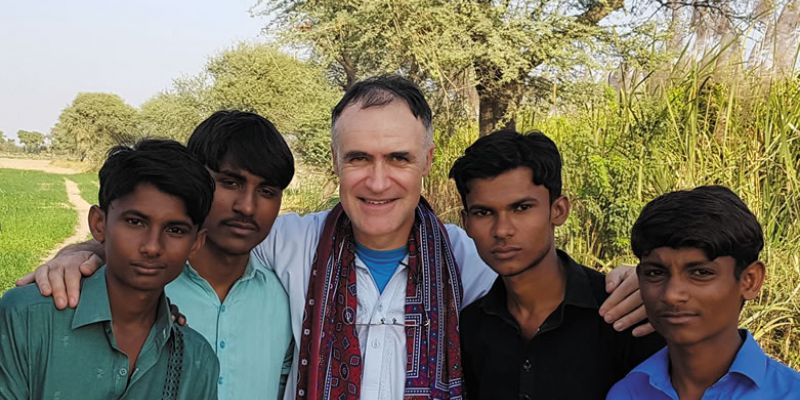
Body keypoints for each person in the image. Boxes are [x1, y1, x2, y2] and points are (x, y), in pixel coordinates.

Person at [20, 75, 650, 400]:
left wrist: (623, 282)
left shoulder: (469, 258)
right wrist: (86, 250)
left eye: (398, 159)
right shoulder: (285, 244)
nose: (378, 182)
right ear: (336, 160)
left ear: (427, 160)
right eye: (358, 160)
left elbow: (544, 280)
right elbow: (180, 239)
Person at [450, 129, 664, 399]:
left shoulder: (624, 314)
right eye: (483, 212)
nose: (502, 230)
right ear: (466, 222)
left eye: (521, 208)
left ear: (558, 210)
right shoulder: (470, 329)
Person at [0, 139, 219, 399]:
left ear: (196, 243)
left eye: (175, 230)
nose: (152, 246)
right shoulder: (26, 319)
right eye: (135, 222)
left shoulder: (196, 360)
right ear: (99, 224)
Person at [607, 185, 800, 399]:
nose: (671, 294)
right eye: (655, 273)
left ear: (749, 280)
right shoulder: (628, 393)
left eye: (700, 272)